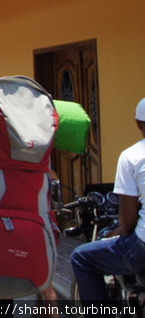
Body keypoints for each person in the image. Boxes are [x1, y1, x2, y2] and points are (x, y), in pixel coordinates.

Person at [71, 96, 145, 300]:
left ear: (138, 123)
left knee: (81, 258)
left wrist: (121, 230)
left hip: (142, 246)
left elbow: (128, 218)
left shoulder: (132, 156)